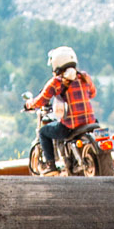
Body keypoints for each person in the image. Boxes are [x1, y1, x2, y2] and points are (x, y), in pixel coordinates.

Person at [25, 45, 99, 174]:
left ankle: (51, 165)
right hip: (90, 121)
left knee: (43, 132)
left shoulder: (56, 82)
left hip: (71, 126)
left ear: (56, 64)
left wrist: (29, 104)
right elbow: (92, 93)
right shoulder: (84, 77)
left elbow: (41, 100)